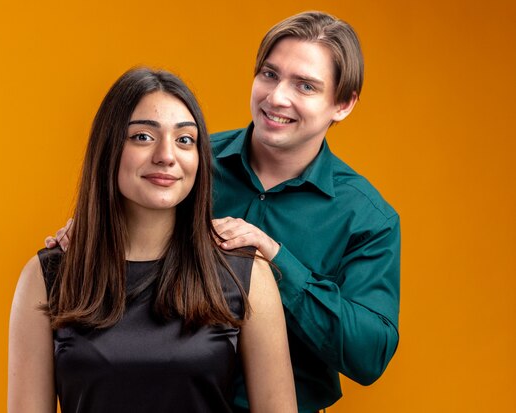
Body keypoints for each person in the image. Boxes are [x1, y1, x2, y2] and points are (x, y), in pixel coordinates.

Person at [47, 11, 400, 413]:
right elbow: (128, 219)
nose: (277, 97)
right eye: (269, 74)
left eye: (305, 85)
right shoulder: (185, 159)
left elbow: (369, 355)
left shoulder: (366, 217)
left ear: (342, 104)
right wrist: (95, 229)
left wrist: (280, 262)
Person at [9, 68, 297, 413]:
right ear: (109, 148)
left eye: (184, 139)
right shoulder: (46, 276)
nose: (166, 155)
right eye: (143, 137)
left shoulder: (246, 274)